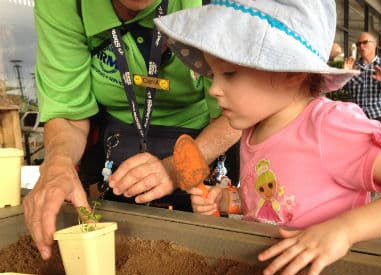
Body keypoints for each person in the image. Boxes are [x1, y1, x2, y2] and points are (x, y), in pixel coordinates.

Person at [154, 0, 381, 275]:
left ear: (291, 72)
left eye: (229, 73)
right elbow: (270, 202)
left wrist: (344, 230)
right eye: (212, 74)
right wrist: (223, 200)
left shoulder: (328, 126)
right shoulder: (252, 130)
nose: (215, 89)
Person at [23, 0, 241, 260]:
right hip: (115, 141)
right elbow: (69, 115)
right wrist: (58, 163)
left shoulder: (215, 6)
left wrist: (177, 168)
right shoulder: (63, 6)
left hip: (207, 138)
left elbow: (242, 110)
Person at [344, 32, 381, 126]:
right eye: (358, 44)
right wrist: (344, 74)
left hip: (378, 115)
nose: (361, 46)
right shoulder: (353, 67)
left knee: (379, 141)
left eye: (365, 42)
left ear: (375, 44)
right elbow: (341, 89)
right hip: (357, 116)